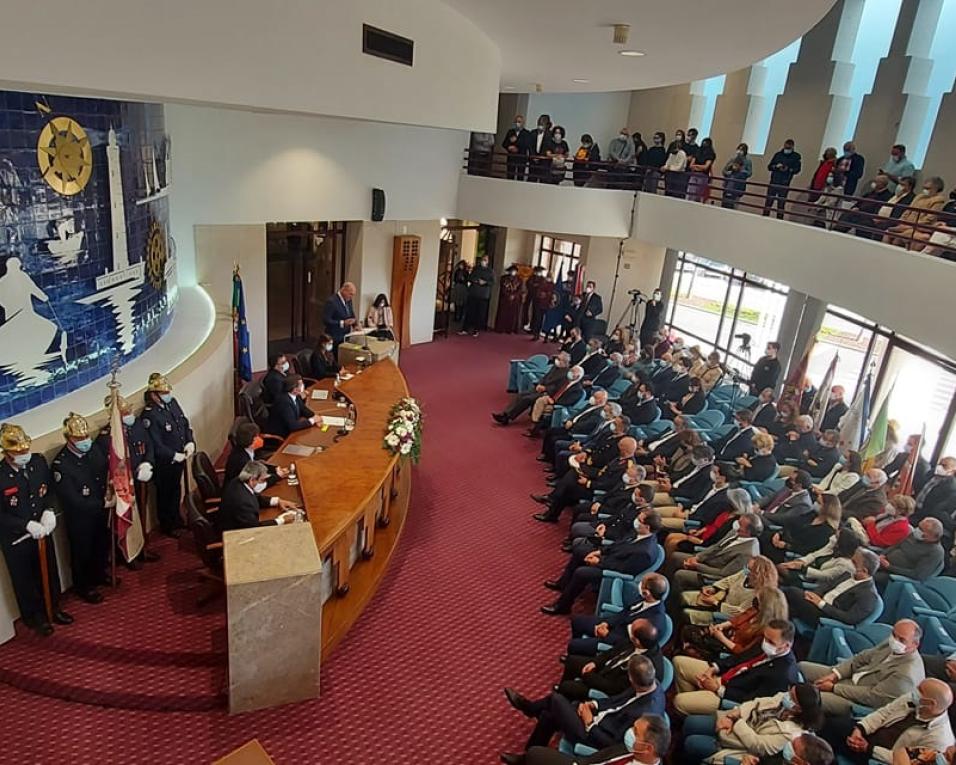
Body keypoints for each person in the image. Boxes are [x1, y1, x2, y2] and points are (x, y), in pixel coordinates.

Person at [500, 654, 664, 758]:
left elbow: (614, 744)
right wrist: (594, 704)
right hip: (598, 718)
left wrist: (590, 722)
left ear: (632, 679)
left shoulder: (642, 714)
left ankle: (529, 709)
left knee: (556, 700)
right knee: (550, 714)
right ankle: (528, 757)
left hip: (593, 736)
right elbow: (616, 701)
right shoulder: (649, 683)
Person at [0, 423, 72, 636]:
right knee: (25, 579)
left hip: (42, 528)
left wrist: (48, 510)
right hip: (17, 538)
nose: (24, 454)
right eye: (18, 452)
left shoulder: (38, 462)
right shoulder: (1, 476)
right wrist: (24, 525)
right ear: (7, 453)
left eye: (25, 450)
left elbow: (47, 490)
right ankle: (35, 617)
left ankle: (54, 607)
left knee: (49, 570)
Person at [540, 510, 661, 614]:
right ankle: (563, 583)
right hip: (609, 558)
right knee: (580, 551)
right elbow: (617, 545)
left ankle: (562, 606)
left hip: (613, 572)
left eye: (639, 519)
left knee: (581, 572)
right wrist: (599, 552)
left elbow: (622, 568)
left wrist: (598, 562)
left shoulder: (644, 552)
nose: (636, 520)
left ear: (648, 527)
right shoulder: (638, 533)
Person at [799, 618, 925, 714]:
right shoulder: (890, 643)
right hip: (850, 677)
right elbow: (861, 657)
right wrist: (835, 675)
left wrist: (834, 688)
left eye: (901, 640)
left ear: (915, 645)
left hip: (860, 700)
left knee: (811, 698)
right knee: (801, 668)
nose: (894, 640)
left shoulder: (906, 675)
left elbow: (872, 697)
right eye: (893, 634)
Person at [672, 620, 799, 715]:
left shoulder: (783, 675)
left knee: (679, 702)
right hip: (724, 675)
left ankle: (690, 712)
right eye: (765, 638)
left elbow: (754, 701)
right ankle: (694, 705)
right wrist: (713, 668)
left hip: (729, 695)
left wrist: (718, 689)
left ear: (786, 646)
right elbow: (737, 658)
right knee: (679, 662)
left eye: (771, 642)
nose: (765, 643)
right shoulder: (765, 644)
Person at [682, 684, 826, 765]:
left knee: (693, 743)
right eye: (789, 691)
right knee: (691, 723)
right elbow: (757, 702)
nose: (786, 695)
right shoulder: (783, 699)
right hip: (735, 720)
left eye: (791, 697)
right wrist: (735, 715)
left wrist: (737, 723)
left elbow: (758, 744)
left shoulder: (791, 734)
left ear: (799, 708)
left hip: (741, 744)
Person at [52, 412, 111, 604]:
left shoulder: (93, 450)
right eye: (80, 438)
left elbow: (104, 471)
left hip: (100, 510)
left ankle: (99, 573)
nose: (85, 441)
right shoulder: (62, 465)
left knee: (101, 544)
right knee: (82, 552)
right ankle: (84, 586)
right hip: (80, 518)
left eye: (86, 437)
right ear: (69, 439)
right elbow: (72, 500)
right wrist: (101, 503)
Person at [823, 680, 954, 764]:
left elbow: (903, 759)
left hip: (878, 756)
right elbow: (883, 713)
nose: (915, 691)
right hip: (869, 735)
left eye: (920, 691)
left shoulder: (939, 740)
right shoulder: (913, 699)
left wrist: (868, 749)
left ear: (931, 704)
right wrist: (860, 729)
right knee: (831, 725)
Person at [506, 707, 670, 765]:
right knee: (535, 754)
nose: (630, 732)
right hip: (583, 763)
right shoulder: (634, 748)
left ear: (649, 748)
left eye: (635, 732)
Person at [141, 372, 194, 537]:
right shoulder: (149, 415)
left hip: (179, 457)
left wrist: (189, 441)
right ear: (154, 395)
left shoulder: (172, 404)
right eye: (163, 393)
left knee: (176, 490)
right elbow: (156, 444)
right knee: (165, 494)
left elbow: (183, 423)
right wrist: (173, 455)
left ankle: (177, 519)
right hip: (165, 463)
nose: (167, 395)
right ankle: (168, 525)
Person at [680, 586, 788, 662]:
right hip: (727, 634)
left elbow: (743, 652)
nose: (754, 601)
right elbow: (737, 619)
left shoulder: (766, 632)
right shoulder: (755, 610)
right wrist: (721, 626)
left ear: (765, 607)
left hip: (729, 647)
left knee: (692, 637)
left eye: (758, 601)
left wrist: (721, 637)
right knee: (688, 630)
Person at [784, 547, 879, 628]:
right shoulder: (847, 574)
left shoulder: (869, 595)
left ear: (864, 571)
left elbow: (850, 618)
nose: (849, 563)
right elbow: (826, 585)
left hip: (827, 616)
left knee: (791, 592)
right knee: (790, 608)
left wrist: (821, 604)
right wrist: (815, 595)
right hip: (817, 602)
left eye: (854, 562)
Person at [682, 554, 779, 625]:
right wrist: (714, 588)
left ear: (757, 575)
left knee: (685, 614)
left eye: (749, 569)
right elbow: (729, 580)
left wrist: (716, 603)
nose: (745, 570)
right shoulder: (745, 575)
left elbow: (740, 613)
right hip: (720, 597)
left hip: (722, 613)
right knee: (683, 597)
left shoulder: (757, 596)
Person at [217, 462, 299, 532]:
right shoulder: (243, 502)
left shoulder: (238, 481)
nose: (263, 483)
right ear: (252, 480)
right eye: (262, 480)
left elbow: (254, 496)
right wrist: (281, 520)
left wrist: (278, 501)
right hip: (236, 534)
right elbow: (254, 528)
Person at [494, 352, 572, 425]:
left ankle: (508, 417)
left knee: (526, 399)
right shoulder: (555, 367)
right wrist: (539, 384)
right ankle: (505, 413)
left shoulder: (566, 374)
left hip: (548, 394)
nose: (556, 360)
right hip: (540, 388)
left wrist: (545, 388)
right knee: (521, 395)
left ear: (564, 362)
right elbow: (545, 377)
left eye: (559, 359)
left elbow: (558, 387)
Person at [877, 517, 945, 585]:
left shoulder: (935, 552)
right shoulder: (915, 535)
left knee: (869, 577)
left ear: (932, 536)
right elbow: (896, 545)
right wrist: (883, 554)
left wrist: (890, 567)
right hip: (883, 561)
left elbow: (917, 575)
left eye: (921, 529)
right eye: (919, 526)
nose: (917, 530)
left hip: (895, 575)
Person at [884, 177, 948, 248]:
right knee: (887, 233)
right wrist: (902, 221)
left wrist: (911, 225)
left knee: (897, 240)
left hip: (920, 227)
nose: (925, 190)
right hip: (906, 224)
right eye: (924, 188)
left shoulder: (938, 200)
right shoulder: (919, 197)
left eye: (928, 188)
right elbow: (908, 210)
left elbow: (929, 218)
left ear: (937, 189)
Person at [224, 421, 289, 484]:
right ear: (251, 442)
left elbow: (255, 465)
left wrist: (275, 469)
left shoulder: (246, 449)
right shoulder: (241, 460)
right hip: (238, 489)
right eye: (256, 437)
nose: (260, 438)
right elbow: (255, 484)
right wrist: (277, 477)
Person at [836, 173, 894, 237]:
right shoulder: (870, 193)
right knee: (847, 214)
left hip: (869, 215)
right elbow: (859, 202)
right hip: (859, 213)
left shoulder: (887, 196)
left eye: (876, 182)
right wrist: (855, 207)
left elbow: (878, 209)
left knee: (855, 217)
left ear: (881, 184)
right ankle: (837, 232)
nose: (873, 183)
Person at [850, 495, 915, 548]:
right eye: (890, 503)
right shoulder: (887, 514)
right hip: (866, 533)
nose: (889, 505)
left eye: (893, 505)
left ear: (901, 511)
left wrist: (870, 524)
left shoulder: (902, 528)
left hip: (870, 543)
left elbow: (879, 542)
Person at [764, 139, 802, 219]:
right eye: (786, 147)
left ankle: (780, 220)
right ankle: (765, 217)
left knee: (781, 204)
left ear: (792, 147)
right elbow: (769, 166)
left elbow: (797, 170)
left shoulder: (796, 157)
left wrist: (788, 169)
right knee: (768, 202)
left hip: (785, 182)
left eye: (788, 147)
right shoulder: (778, 155)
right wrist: (776, 166)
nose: (786, 149)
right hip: (774, 180)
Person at [461, 254, 494, 337]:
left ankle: (476, 330)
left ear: (488, 261)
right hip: (473, 293)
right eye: (483, 259)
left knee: (480, 314)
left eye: (485, 260)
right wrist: (476, 281)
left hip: (483, 295)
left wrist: (485, 282)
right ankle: (465, 329)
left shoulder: (490, 271)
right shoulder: (476, 269)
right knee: (469, 312)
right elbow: (469, 278)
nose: (484, 261)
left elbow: (493, 282)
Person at [322, 281, 357, 351]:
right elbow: (326, 320)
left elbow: (351, 313)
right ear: (344, 290)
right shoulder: (332, 301)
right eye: (350, 294)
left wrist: (355, 325)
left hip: (345, 336)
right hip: (334, 337)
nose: (352, 297)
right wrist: (342, 323)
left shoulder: (349, 300)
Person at [721, 143, 753, 209]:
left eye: (742, 150)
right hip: (728, 184)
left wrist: (741, 171)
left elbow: (750, 173)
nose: (739, 151)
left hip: (738, 185)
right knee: (724, 204)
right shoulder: (732, 159)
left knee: (734, 204)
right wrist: (729, 171)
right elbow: (724, 171)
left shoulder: (748, 161)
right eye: (739, 149)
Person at [526, 266, 554, 339]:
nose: (548, 278)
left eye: (549, 276)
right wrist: (540, 294)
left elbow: (553, 294)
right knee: (538, 319)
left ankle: (546, 335)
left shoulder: (553, 285)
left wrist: (546, 294)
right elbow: (538, 291)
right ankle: (536, 333)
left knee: (547, 320)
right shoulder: (542, 283)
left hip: (547, 305)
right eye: (548, 276)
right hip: (539, 303)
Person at [495, 265, 524, 333]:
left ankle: (510, 329)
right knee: (503, 314)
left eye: (514, 271)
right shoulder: (504, 278)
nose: (513, 272)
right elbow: (503, 288)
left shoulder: (519, 280)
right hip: (505, 299)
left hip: (515, 300)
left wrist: (514, 295)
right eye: (511, 270)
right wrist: (508, 295)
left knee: (512, 315)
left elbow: (520, 290)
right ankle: (501, 329)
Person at [688, 137, 716, 202]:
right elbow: (691, 165)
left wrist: (696, 166)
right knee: (690, 194)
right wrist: (699, 167)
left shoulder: (711, 154)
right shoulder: (698, 151)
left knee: (697, 195)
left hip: (703, 176)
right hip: (694, 174)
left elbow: (706, 167)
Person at [528, 114, 555, 183]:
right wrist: (534, 156)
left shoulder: (550, 135)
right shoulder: (532, 133)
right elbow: (530, 146)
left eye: (543, 123)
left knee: (543, 181)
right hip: (533, 162)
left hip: (544, 162)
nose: (540, 125)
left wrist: (540, 157)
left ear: (546, 125)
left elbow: (549, 148)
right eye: (539, 123)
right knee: (531, 181)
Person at [503, 114, 529, 180]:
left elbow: (526, 145)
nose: (517, 123)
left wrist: (516, 141)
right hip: (511, 158)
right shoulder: (510, 132)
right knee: (510, 176)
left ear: (523, 123)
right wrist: (509, 147)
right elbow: (504, 143)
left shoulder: (526, 133)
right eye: (516, 122)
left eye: (519, 122)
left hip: (521, 158)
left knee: (520, 177)